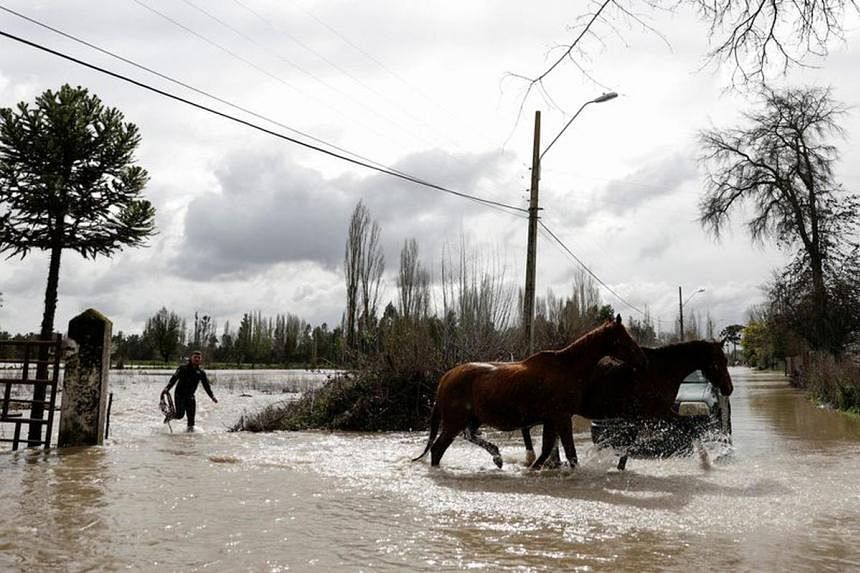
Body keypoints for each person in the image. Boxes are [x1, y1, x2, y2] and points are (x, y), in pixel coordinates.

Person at [161, 350, 217, 431]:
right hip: (179, 395)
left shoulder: (201, 372)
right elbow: (174, 379)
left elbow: (206, 386)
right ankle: (169, 416)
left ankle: (189, 439)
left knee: (191, 421)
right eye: (195, 357)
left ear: (201, 360)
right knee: (180, 415)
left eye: (199, 357)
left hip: (190, 396)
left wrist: (212, 396)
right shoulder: (182, 368)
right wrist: (167, 388)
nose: (197, 359)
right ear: (191, 358)